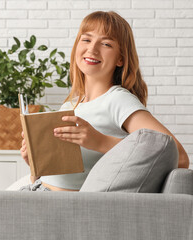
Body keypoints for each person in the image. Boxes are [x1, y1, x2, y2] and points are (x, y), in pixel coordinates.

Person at [20, 11, 189, 192]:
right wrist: (36, 162)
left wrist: (100, 142)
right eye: (86, 40)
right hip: (37, 191)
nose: (92, 49)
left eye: (106, 44)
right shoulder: (70, 105)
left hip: (62, 205)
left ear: (120, 58)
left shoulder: (118, 99)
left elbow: (178, 156)